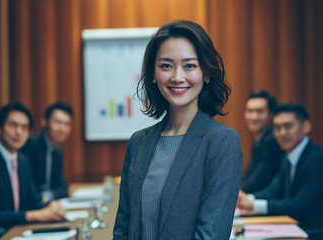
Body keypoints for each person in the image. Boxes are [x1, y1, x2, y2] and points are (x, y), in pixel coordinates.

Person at [113, 20, 243, 240]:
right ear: (153, 74)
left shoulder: (222, 141)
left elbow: (211, 235)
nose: (177, 77)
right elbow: (122, 229)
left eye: (189, 66)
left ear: (206, 73)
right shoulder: (138, 142)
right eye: (166, 66)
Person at [0, 102, 66, 228]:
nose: (18, 132)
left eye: (24, 127)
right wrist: (34, 215)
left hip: (17, 230)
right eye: (13, 125)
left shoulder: (23, 161)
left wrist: (52, 207)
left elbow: (33, 201)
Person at [237, 103, 323, 232]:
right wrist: (248, 198)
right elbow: (273, 191)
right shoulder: (287, 158)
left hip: (312, 232)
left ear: (305, 126)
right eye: (277, 128)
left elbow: (299, 207)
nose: (282, 133)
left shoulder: (317, 159)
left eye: (288, 127)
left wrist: (253, 204)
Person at [21, 102, 73, 202]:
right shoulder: (30, 145)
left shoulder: (57, 151)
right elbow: (26, 186)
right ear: (44, 122)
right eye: (58, 122)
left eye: (67, 124)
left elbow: (62, 188)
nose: (62, 129)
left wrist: (49, 195)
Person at [240, 90, 285, 193]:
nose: (254, 117)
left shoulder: (272, 140)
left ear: (271, 114)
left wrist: (232, 191)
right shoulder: (260, 139)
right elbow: (249, 175)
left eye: (259, 111)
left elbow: (257, 180)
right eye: (250, 111)